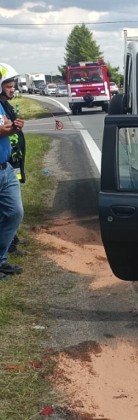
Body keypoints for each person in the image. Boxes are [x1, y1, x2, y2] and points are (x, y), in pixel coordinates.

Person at [0, 63, 25, 280]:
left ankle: (1, 259)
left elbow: (5, 130)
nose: (12, 88)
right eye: (8, 85)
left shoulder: (3, 106)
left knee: (15, 213)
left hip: (5, 169)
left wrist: (15, 126)